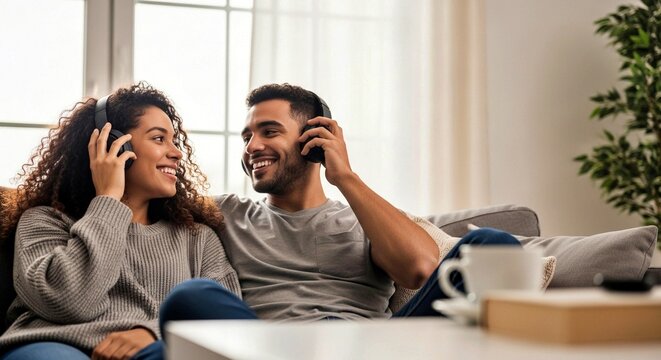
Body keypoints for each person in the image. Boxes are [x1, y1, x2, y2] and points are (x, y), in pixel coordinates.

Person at [134, 83, 520, 360]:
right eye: (247, 136)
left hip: (375, 348)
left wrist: (345, 177)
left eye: (269, 132)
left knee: (494, 246)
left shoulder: (366, 216)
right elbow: (143, 193)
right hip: (270, 348)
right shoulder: (229, 213)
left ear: (314, 139)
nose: (252, 147)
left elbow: (421, 268)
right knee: (191, 297)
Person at [0, 83, 242, 360]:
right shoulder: (46, 221)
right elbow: (69, 302)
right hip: (57, 346)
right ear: (114, 145)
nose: (176, 153)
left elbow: (225, 328)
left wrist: (152, 332)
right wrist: (109, 199)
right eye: (159, 139)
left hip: (154, 351)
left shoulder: (197, 238)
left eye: (174, 141)